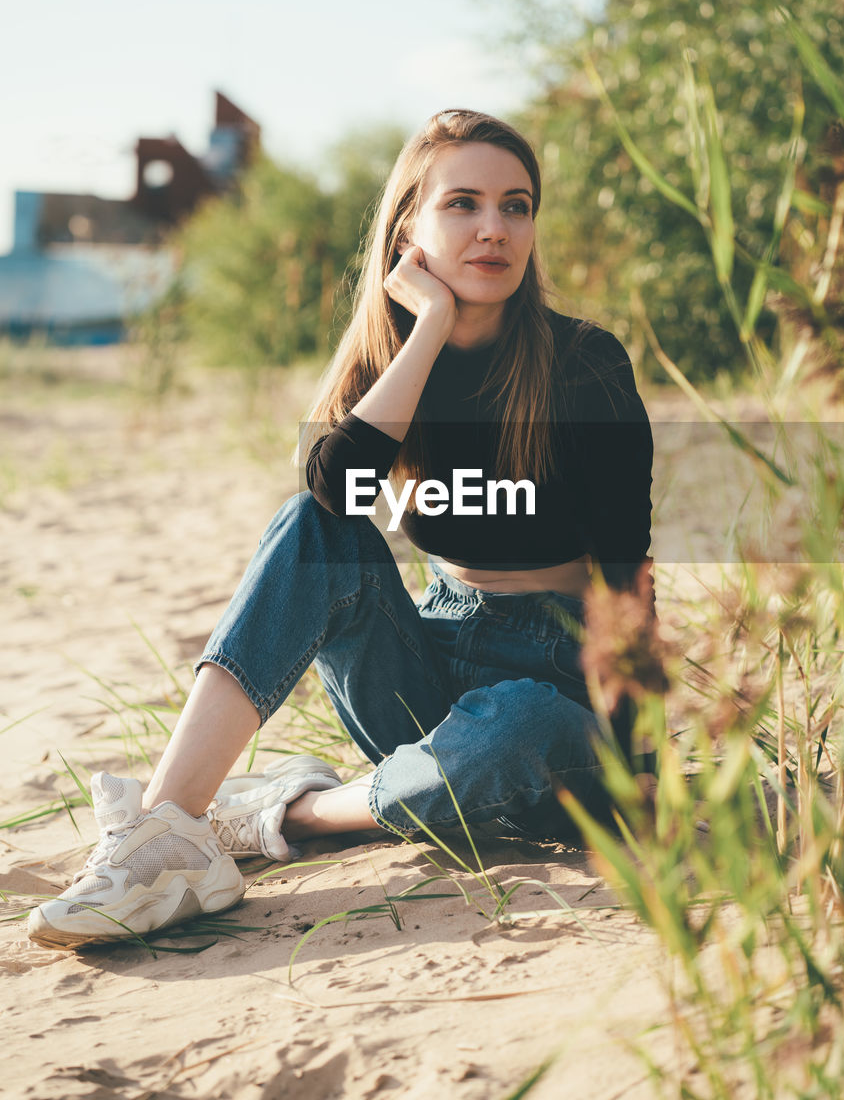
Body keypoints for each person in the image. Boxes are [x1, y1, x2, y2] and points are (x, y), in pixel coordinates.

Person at [28, 109, 653, 950]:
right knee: (315, 528)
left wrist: (634, 765)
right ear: (410, 229)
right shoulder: (394, 358)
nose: (495, 229)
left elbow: (627, 569)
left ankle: (293, 813)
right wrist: (427, 328)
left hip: (557, 683)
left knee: (514, 729)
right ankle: (165, 829)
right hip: (430, 659)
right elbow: (335, 494)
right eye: (462, 204)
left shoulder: (584, 365)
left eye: (517, 205)